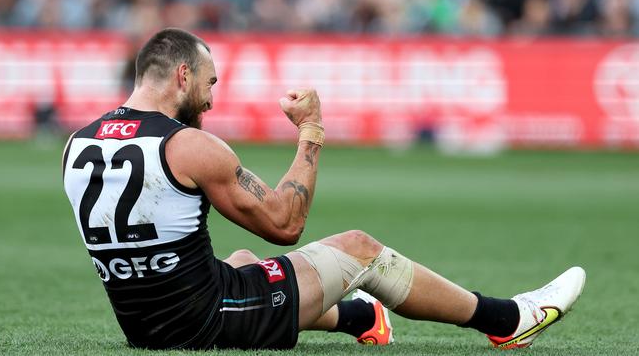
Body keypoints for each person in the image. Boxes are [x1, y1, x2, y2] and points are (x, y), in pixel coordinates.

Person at [62, 28, 586, 351]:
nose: (212, 98)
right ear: (182, 75)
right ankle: (509, 319)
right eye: (210, 83)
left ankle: (362, 316)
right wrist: (311, 128)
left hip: (144, 328)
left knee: (246, 259)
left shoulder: (77, 145)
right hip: (203, 324)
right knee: (357, 247)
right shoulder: (192, 146)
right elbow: (286, 223)